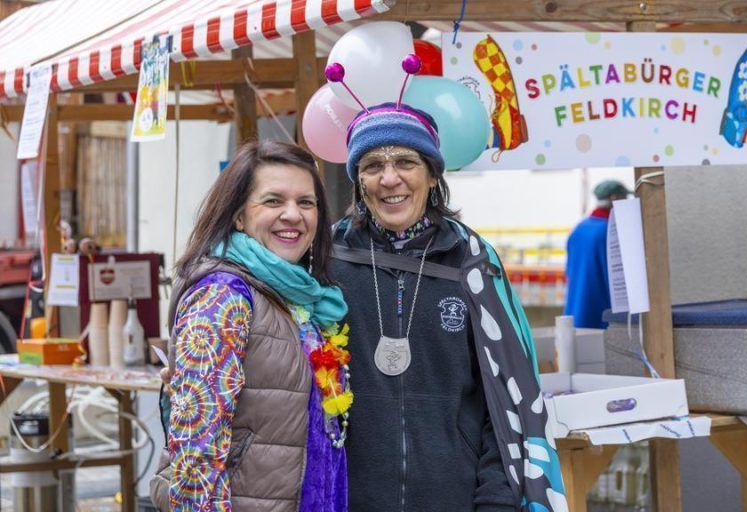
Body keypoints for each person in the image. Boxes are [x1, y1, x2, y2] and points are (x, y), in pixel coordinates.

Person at [330, 103, 565, 511]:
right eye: (371, 165)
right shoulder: (328, 262)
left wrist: (496, 498)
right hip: (348, 498)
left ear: (433, 173)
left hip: (456, 499)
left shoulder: (471, 262)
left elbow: (507, 398)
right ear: (358, 181)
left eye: (406, 161)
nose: (390, 179)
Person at [149, 140, 351, 511]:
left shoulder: (300, 297)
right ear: (238, 216)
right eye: (273, 201)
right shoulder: (222, 295)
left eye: (306, 203)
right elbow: (196, 453)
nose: (293, 215)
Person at [564, 179, 630, 329]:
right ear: (614, 199)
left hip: (576, 312)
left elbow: (568, 271)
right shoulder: (609, 231)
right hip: (601, 315)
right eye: (624, 198)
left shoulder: (579, 228)